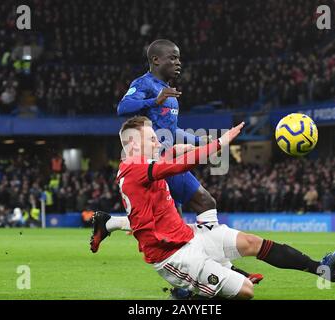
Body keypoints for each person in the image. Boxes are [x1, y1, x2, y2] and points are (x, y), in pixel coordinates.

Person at [93, 116, 335, 299]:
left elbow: (163, 162)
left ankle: (322, 269)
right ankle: (193, 295)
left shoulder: (138, 164)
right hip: (173, 256)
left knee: (251, 242)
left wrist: (178, 149)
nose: (157, 141)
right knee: (245, 291)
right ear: (134, 145)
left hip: (187, 235)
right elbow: (174, 167)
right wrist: (221, 143)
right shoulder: (136, 169)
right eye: (151, 138)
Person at [92, 39, 258, 289]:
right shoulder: (143, 84)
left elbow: (172, 129)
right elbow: (122, 108)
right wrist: (153, 101)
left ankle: (110, 223)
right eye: (172, 58)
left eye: (179, 58)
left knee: (181, 221)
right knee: (195, 209)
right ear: (156, 60)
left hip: (168, 160)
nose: (178, 63)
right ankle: (224, 271)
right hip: (153, 164)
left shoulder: (170, 95)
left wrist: (198, 140)